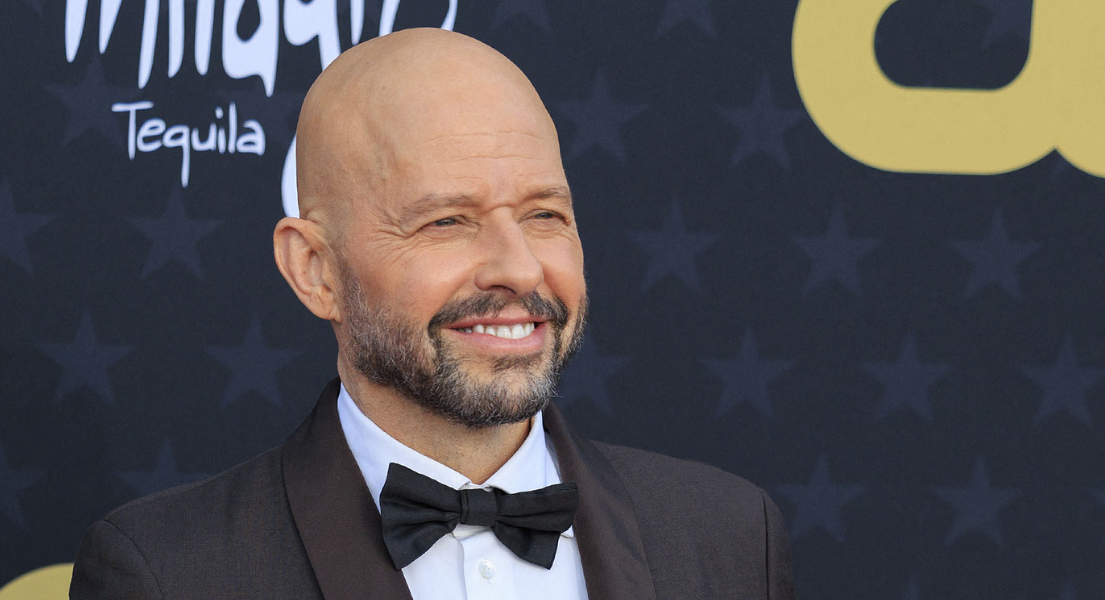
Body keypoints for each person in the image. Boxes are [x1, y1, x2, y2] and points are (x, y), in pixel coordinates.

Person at [70, 28, 794, 600]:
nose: (517, 268)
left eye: (544, 214)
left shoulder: (729, 540)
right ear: (315, 271)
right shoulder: (172, 573)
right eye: (447, 222)